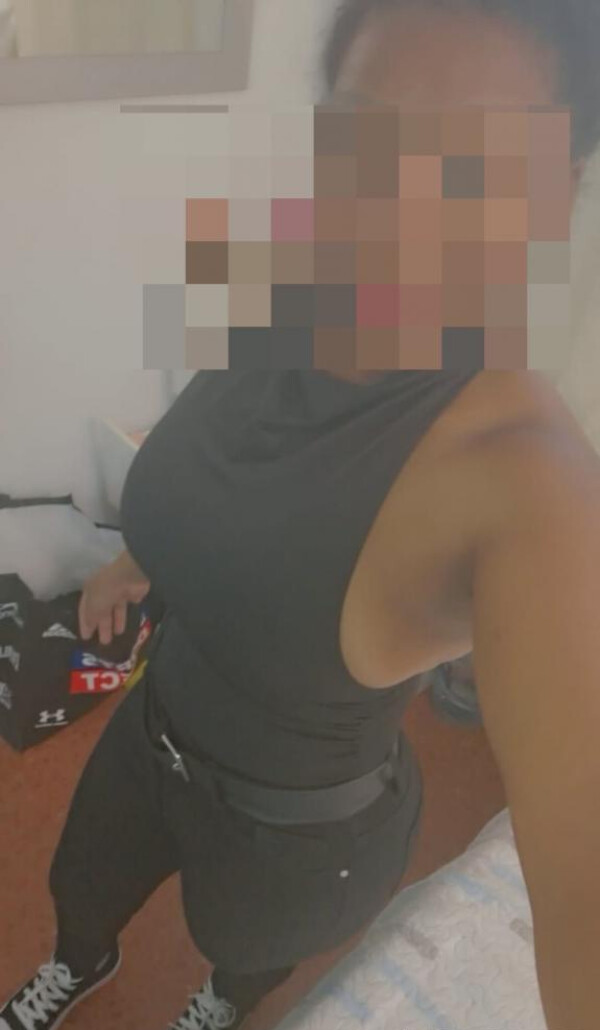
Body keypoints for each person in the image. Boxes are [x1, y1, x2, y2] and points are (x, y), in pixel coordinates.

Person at [3, 2, 600, 1029]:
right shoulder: (283, 279)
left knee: (242, 958)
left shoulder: (528, 481)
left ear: (557, 194)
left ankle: (221, 1003)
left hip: (298, 839)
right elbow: (204, 452)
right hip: (152, 728)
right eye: (365, 130)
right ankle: (81, 964)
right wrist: (136, 559)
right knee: (80, 891)